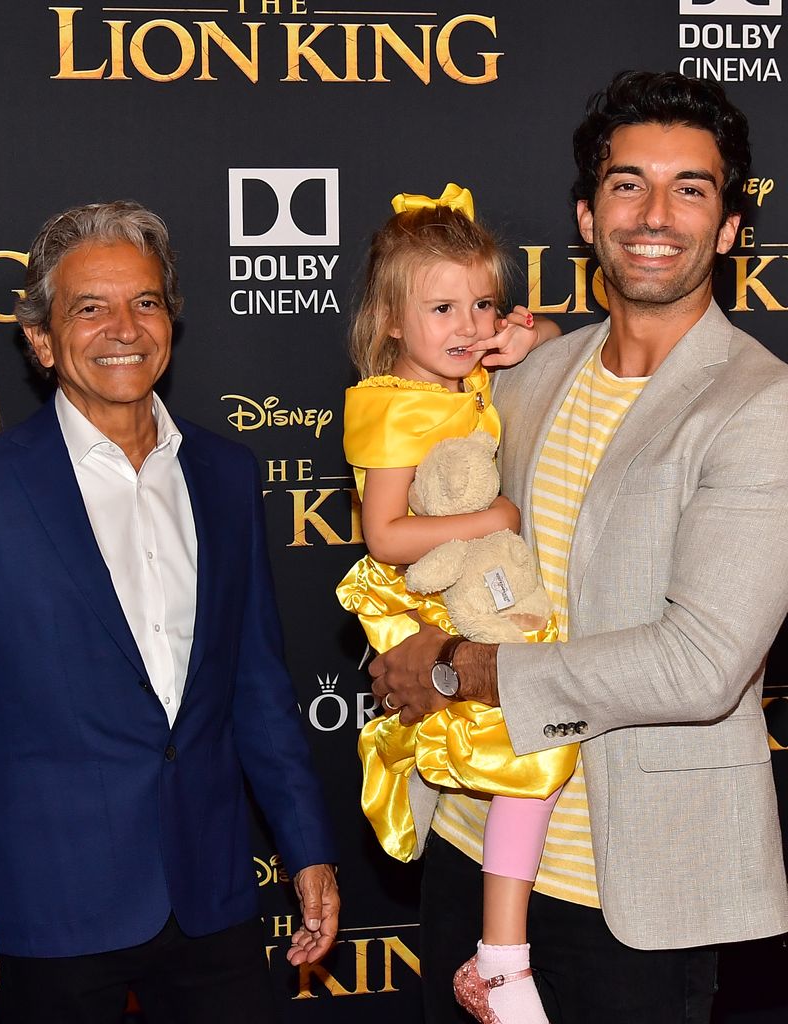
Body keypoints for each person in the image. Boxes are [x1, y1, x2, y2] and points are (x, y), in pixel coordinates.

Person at [369, 71, 788, 1024]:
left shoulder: (761, 407)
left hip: (624, 895)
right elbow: (441, 547)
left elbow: (700, 665)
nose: (656, 213)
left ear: (728, 229)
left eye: (692, 188)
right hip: (470, 856)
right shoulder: (525, 376)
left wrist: (459, 672)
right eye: (627, 183)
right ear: (587, 215)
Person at [0, 200, 340, 1022]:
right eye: (89, 308)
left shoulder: (228, 473)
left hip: (211, 894)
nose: (123, 328)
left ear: (170, 320)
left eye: (144, 302)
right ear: (40, 339)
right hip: (46, 906)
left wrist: (308, 847)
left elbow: (257, 687)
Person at [336, 185, 568, 1024]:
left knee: (536, 751)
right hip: (424, 603)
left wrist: (526, 334)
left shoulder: (453, 376)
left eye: (481, 303)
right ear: (391, 319)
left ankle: (499, 956)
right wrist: (496, 517)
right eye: (442, 308)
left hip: (470, 587)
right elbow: (386, 534)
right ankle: (501, 962)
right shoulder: (396, 409)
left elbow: (536, 335)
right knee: (534, 755)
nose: (468, 326)